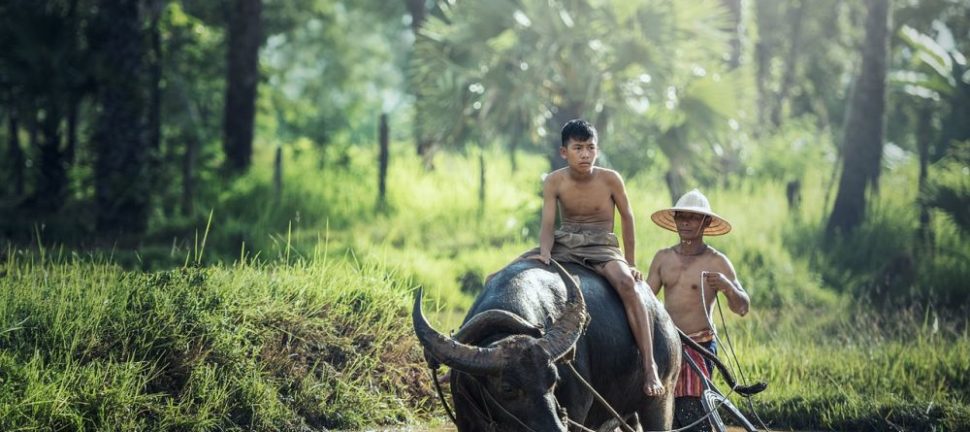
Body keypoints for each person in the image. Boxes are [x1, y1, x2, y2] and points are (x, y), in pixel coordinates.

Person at [524, 119, 664, 396]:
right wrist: (544, 252)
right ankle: (469, 362)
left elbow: (627, 217)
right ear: (564, 152)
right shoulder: (554, 181)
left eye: (590, 148)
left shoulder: (610, 179)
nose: (585, 154)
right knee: (504, 274)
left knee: (627, 285)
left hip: (602, 245)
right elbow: (549, 224)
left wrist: (631, 262)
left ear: (597, 150)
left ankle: (650, 366)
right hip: (567, 242)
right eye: (578, 148)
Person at [645, 189, 750, 431]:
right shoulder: (663, 258)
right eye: (681, 217)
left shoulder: (717, 262)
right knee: (663, 409)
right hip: (667, 345)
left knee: (692, 410)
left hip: (699, 346)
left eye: (692, 218)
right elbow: (647, 301)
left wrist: (727, 287)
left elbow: (742, 307)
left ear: (706, 222)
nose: (685, 222)